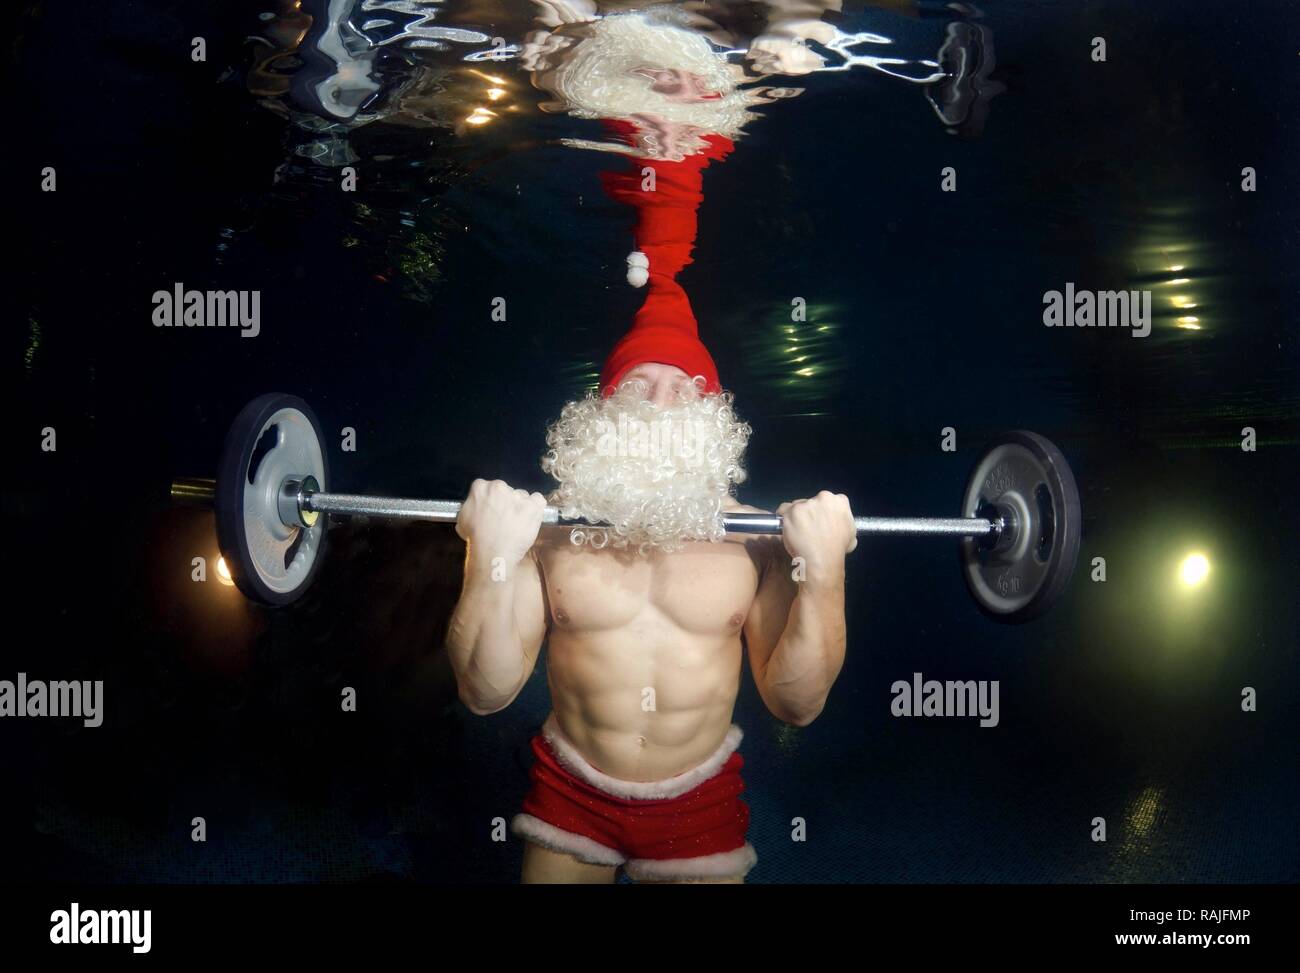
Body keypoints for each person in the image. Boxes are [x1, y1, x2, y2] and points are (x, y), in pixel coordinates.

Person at [444, 117, 856, 883]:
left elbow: (796, 706)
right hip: (569, 789)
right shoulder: (551, 534)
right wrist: (489, 557)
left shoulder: (753, 541)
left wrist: (825, 572)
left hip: (698, 796)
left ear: (712, 413)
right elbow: (486, 690)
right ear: (602, 407)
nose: (662, 401)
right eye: (641, 383)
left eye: (682, 387)